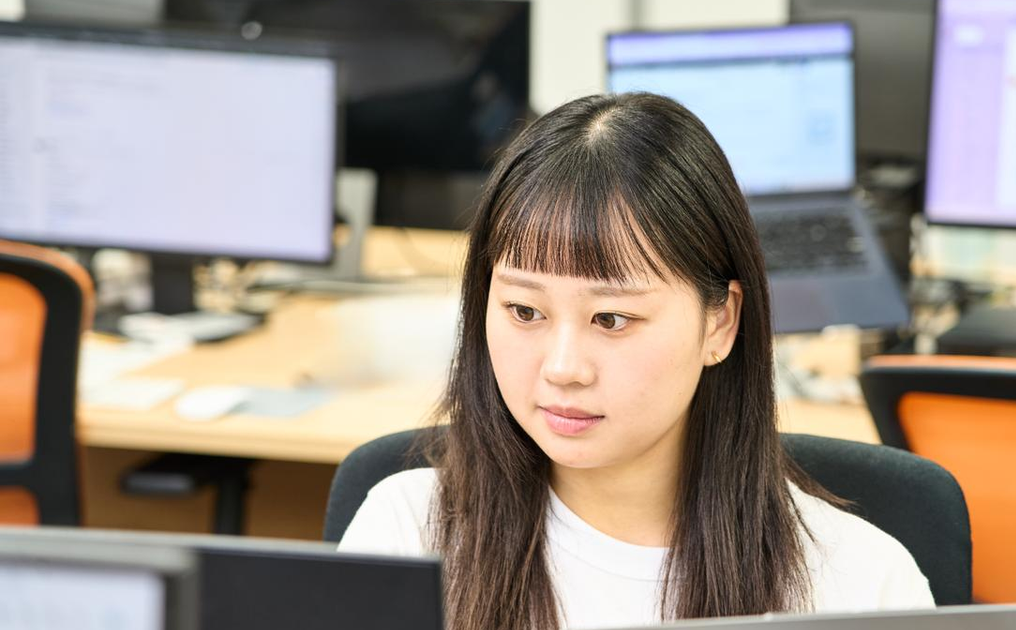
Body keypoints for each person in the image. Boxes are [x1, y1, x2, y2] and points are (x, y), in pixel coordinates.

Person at [338, 92, 933, 630]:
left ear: (720, 322)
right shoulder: (406, 537)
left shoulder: (860, 587)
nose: (563, 368)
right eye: (524, 311)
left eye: (611, 319)